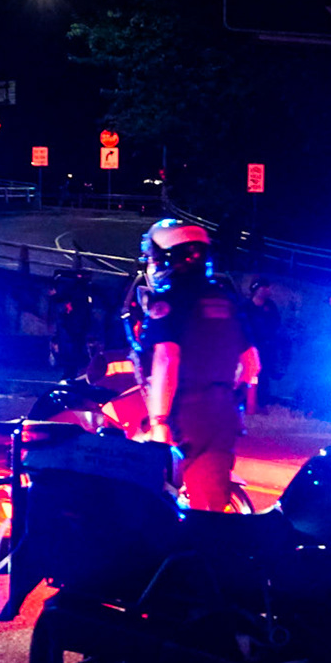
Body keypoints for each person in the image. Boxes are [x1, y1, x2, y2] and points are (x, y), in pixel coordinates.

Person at [137, 219, 260, 513]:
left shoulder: (169, 301)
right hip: (223, 414)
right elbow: (252, 363)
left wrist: (159, 422)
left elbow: (166, 359)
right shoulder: (226, 300)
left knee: (151, 499)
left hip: (185, 415)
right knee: (210, 509)